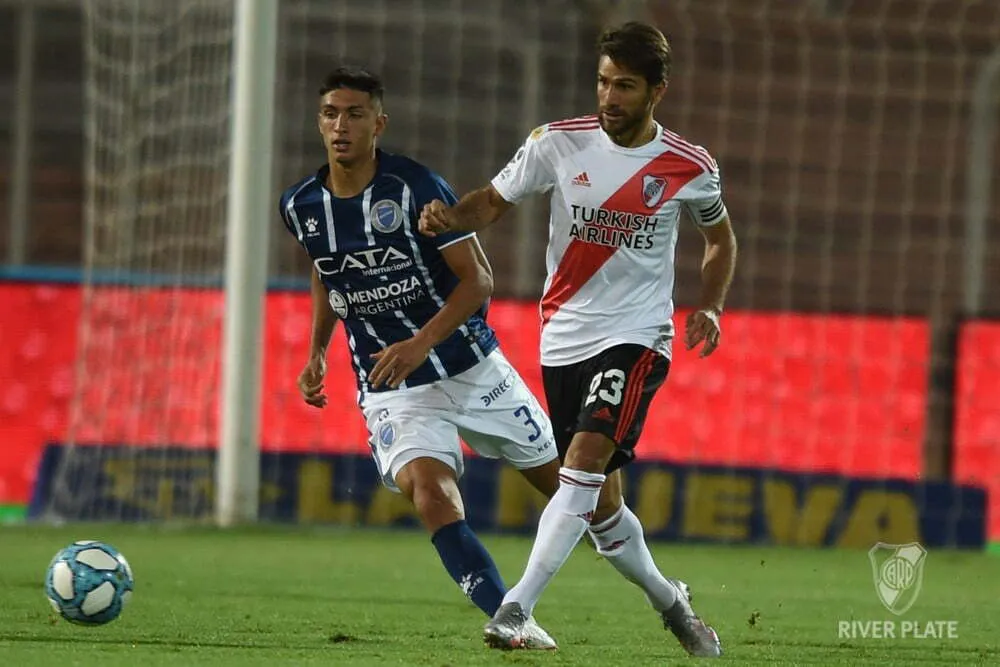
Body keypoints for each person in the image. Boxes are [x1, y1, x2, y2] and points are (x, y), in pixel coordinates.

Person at [420, 21, 735, 658]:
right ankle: (671, 601)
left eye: (625, 86)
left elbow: (720, 239)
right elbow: (493, 202)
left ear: (658, 91)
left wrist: (711, 305)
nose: (609, 97)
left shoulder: (688, 166)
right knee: (601, 506)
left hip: (638, 336)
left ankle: (516, 607)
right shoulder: (557, 143)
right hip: (563, 339)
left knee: (584, 463)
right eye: (603, 82)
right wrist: (450, 217)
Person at [279, 65, 562, 650]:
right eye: (330, 114)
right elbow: (325, 270)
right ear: (319, 123)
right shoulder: (301, 205)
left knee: (575, 494)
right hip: (392, 385)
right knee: (429, 493)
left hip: (471, 366)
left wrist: (420, 343)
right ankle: (510, 618)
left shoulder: (415, 188)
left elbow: (478, 280)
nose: (341, 126)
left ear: (378, 124)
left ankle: (660, 587)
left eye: (355, 114)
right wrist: (316, 351)